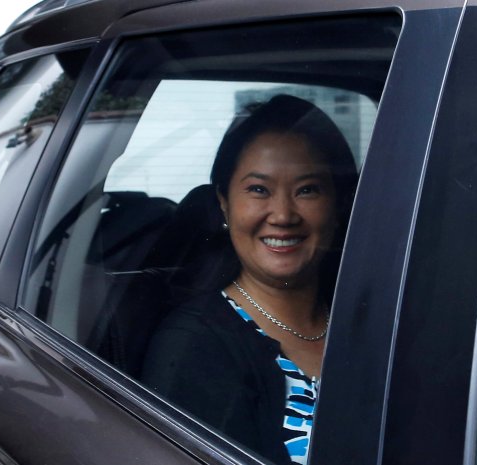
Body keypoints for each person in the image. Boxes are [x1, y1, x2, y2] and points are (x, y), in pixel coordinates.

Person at [141, 95, 358, 465]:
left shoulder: (368, 310)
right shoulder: (193, 348)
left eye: (307, 189)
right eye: (259, 189)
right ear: (224, 203)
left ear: (338, 204)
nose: (284, 215)